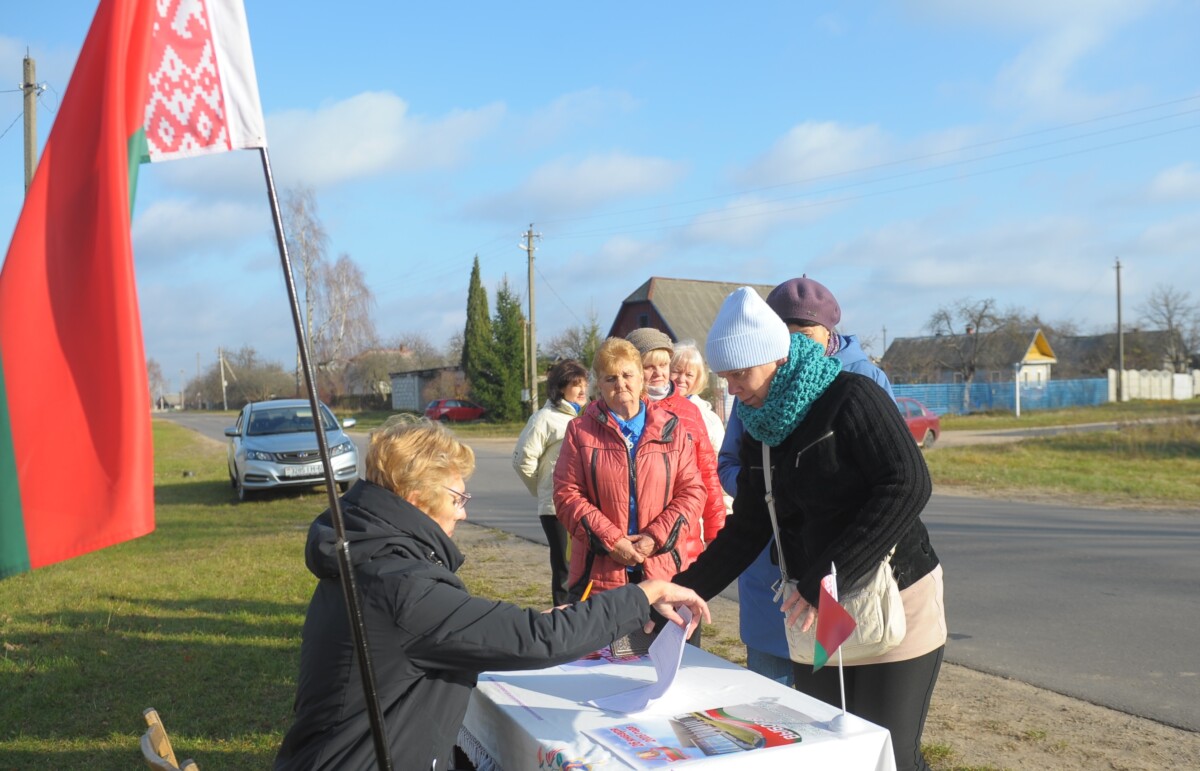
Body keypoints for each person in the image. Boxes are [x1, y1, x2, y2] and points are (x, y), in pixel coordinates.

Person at [275, 416, 709, 771]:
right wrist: (643, 593)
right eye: (457, 498)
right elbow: (537, 640)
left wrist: (548, 616)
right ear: (414, 499)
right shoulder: (400, 585)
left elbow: (468, 628)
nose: (464, 512)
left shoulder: (370, 557)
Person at [676, 287, 945, 771]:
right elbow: (750, 526)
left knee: (891, 755)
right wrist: (682, 592)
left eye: (741, 374)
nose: (733, 389)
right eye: (725, 378)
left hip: (894, 600)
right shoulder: (762, 425)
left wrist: (826, 573)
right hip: (819, 615)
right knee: (830, 753)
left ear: (775, 357)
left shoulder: (851, 397)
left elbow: (908, 484)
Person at [718, 276, 897, 686]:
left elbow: (895, 479)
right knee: (771, 703)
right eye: (785, 333)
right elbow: (731, 464)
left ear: (829, 331)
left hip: (848, 570)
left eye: (806, 332)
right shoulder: (755, 391)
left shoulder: (863, 383)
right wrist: (766, 496)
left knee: (845, 704)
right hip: (772, 571)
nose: (795, 342)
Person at [553, 337, 708, 602]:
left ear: (641, 380)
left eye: (627, 375)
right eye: (610, 378)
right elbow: (567, 496)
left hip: (664, 571)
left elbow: (693, 492)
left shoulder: (672, 428)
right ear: (598, 384)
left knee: (668, 643)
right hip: (600, 575)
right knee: (604, 644)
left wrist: (654, 538)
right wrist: (613, 541)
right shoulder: (579, 432)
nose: (621, 384)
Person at [625, 328, 726, 554]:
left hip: (681, 538)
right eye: (649, 366)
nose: (659, 373)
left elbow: (708, 474)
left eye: (663, 365)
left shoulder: (690, 412)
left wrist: (715, 532)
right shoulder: (621, 410)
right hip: (628, 540)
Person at [512, 359, 589, 605]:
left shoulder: (587, 417)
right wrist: (545, 492)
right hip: (557, 509)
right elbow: (522, 460)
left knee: (586, 567)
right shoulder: (544, 418)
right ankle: (563, 625)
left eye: (584, 384)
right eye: (576, 384)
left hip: (585, 507)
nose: (582, 390)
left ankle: (585, 624)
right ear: (560, 387)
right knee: (565, 569)